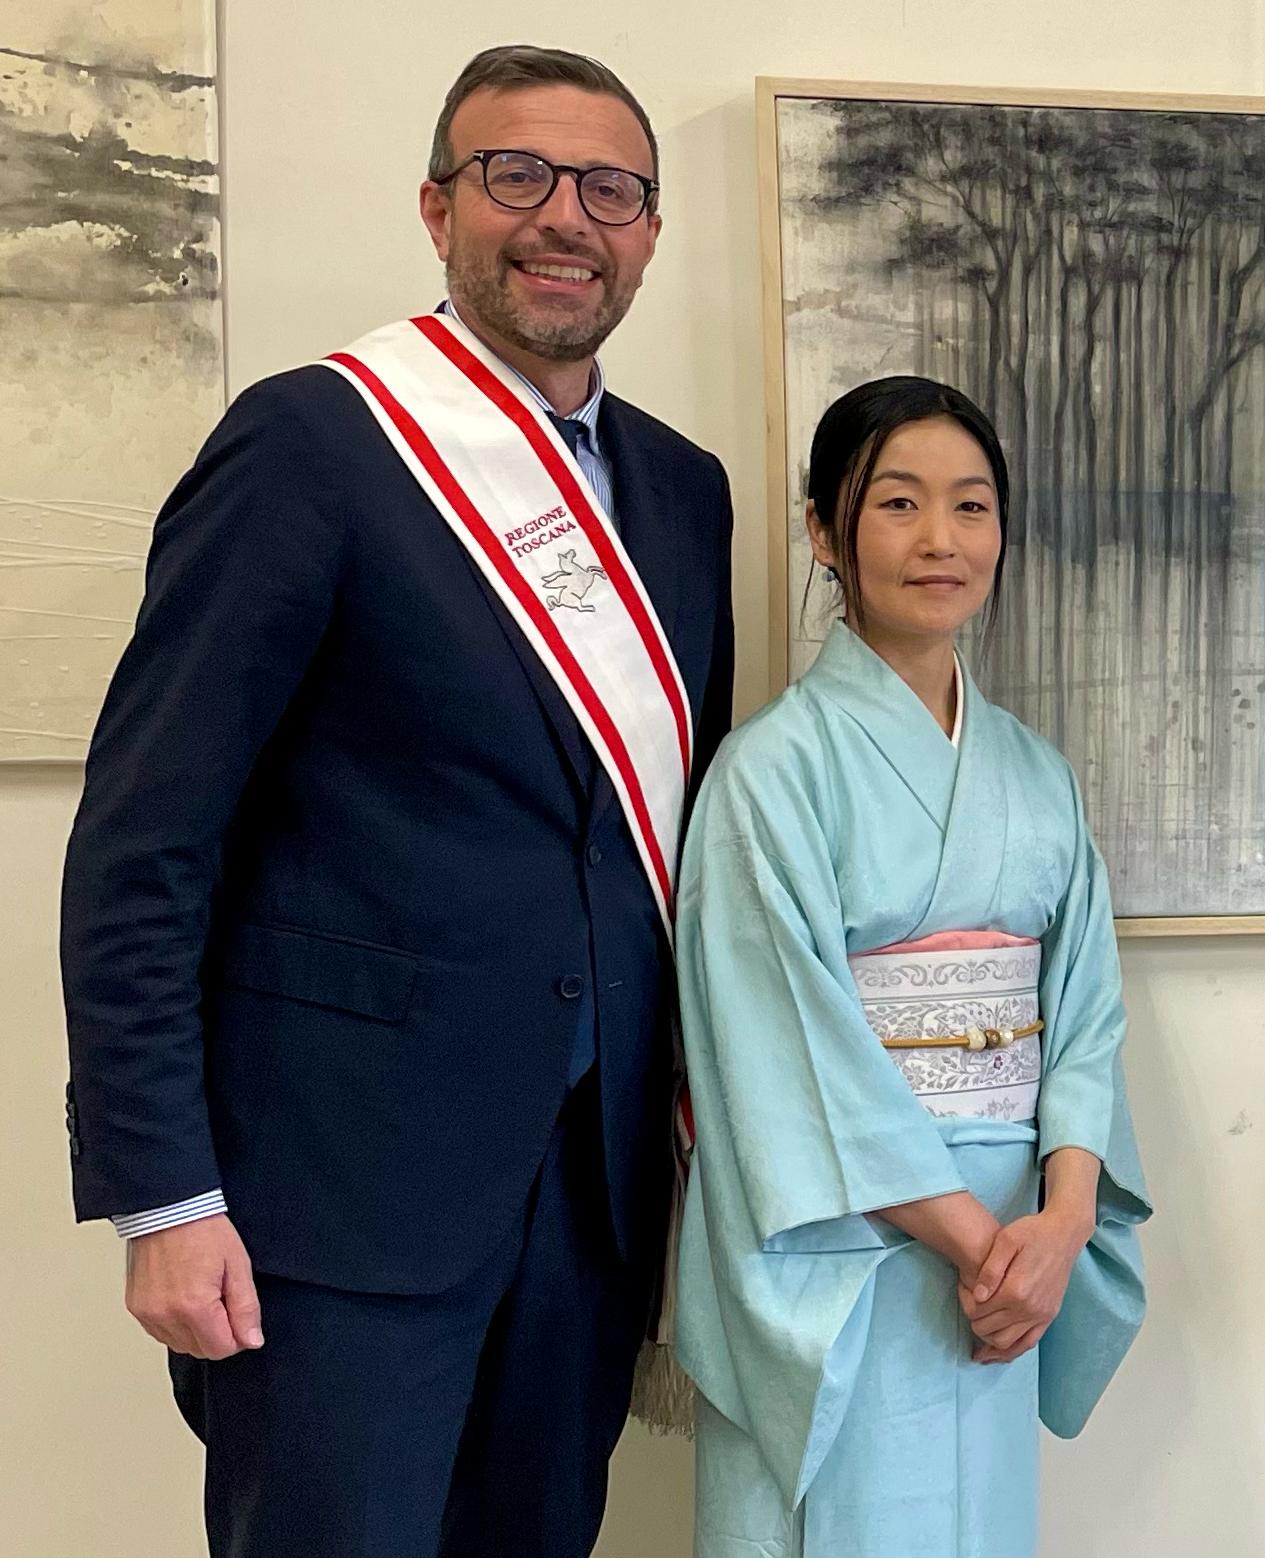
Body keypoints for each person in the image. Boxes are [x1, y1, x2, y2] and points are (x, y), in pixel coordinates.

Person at [58, 44, 736, 1558]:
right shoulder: (308, 444)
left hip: (591, 1202)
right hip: (335, 1200)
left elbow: (656, 847)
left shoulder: (683, 493)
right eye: (518, 174)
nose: (565, 217)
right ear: (437, 208)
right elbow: (145, 842)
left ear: (648, 233)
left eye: (609, 189)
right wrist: (161, 1193)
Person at [672, 375, 1151, 1557]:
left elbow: (1084, 1017)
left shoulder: (1036, 773)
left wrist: (1061, 1223)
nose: (941, 539)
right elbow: (781, 1054)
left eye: (971, 505)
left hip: (1015, 1231)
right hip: (853, 1239)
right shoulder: (770, 772)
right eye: (898, 502)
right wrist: (981, 1249)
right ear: (824, 531)